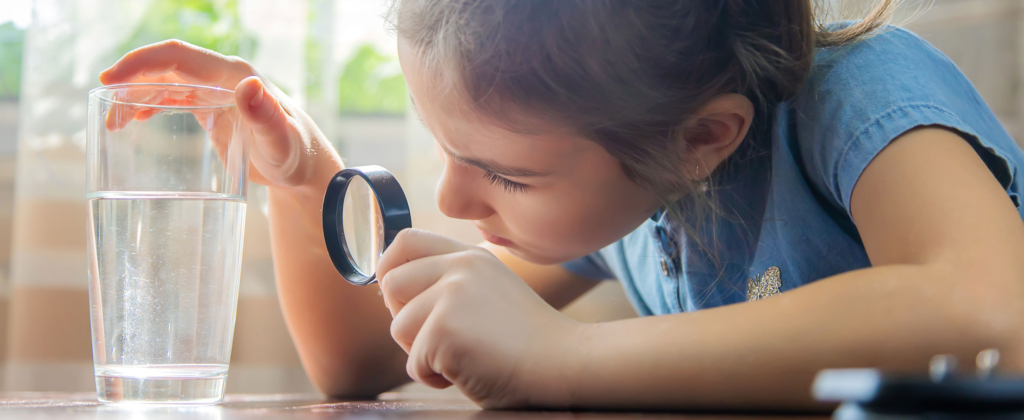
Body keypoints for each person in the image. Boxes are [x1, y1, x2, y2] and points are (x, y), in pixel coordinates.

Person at [98, 0, 1024, 410]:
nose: (457, 198)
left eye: (505, 174)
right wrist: (302, 181)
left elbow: (992, 315)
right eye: (449, 151)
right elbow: (364, 363)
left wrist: (570, 357)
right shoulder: (637, 190)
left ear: (706, 136)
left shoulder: (860, 91)